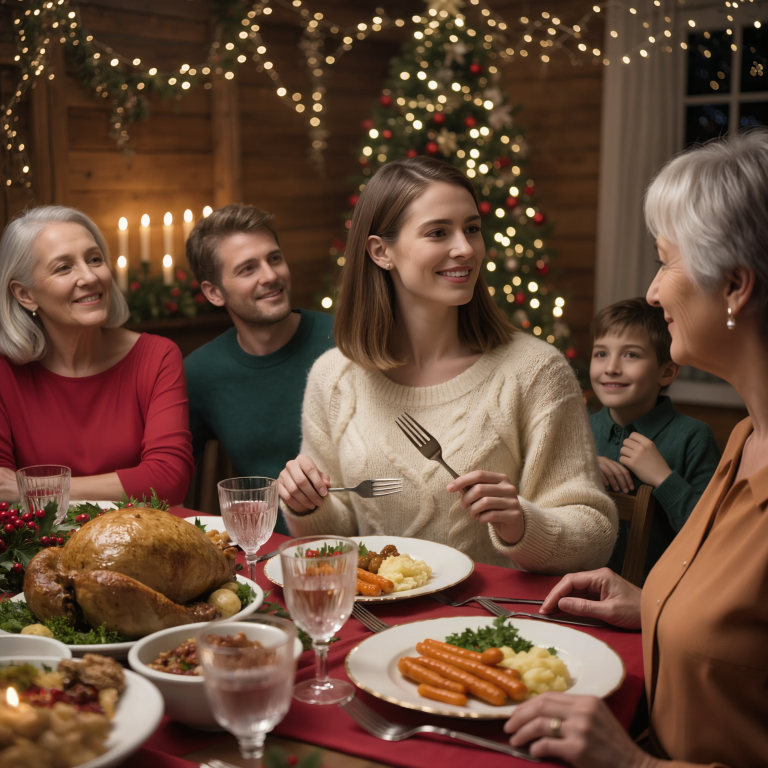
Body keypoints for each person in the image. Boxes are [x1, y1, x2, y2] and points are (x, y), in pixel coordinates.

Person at [504, 130, 768, 767]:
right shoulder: (744, 440)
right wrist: (651, 602)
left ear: (734, 286)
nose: (651, 292)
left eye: (664, 261)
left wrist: (631, 764)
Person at [277, 157, 617, 572]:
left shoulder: (536, 371)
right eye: (438, 232)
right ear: (382, 252)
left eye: (472, 229)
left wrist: (521, 522)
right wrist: (308, 505)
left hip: (490, 625)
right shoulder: (334, 378)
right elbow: (337, 538)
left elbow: (596, 534)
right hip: (374, 615)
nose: (465, 248)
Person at [0, 206, 194, 506]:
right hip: (40, 548)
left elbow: (168, 481)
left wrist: (33, 488)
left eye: (94, 259)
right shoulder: (5, 372)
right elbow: (1, 491)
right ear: (25, 294)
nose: (90, 276)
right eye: (64, 267)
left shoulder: (156, 356)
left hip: (141, 543)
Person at [184, 204, 334, 535]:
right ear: (214, 292)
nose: (270, 276)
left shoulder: (344, 342)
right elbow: (170, 476)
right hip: (262, 552)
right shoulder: (200, 373)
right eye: (248, 268)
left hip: (361, 547)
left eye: (274, 258)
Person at [589, 298, 720, 579]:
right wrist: (580, 468)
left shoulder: (693, 437)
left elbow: (713, 539)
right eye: (601, 354)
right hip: (572, 592)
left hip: (652, 603)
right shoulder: (578, 431)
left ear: (667, 371)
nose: (611, 367)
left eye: (631, 355)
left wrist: (663, 478)